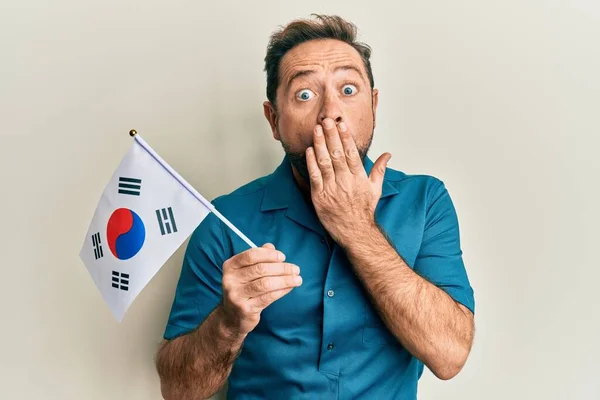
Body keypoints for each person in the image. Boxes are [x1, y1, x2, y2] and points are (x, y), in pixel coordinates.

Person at [155, 14, 475, 400]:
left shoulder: (425, 201)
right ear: (274, 120)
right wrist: (227, 322)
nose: (330, 113)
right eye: (304, 94)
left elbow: (450, 355)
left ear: (373, 106)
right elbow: (177, 390)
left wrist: (357, 228)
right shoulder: (225, 220)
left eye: (349, 89)